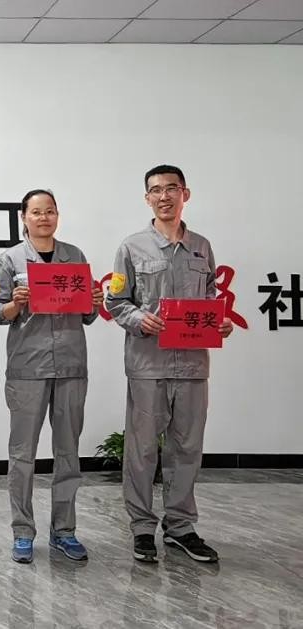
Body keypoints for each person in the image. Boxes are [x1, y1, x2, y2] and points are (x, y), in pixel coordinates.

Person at [107, 164, 234, 564]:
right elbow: (115, 301)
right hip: (148, 364)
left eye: (171, 188)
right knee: (142, 450)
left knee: (187, 448)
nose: (164, 196)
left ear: (185, 194)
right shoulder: (131, 247)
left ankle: (180, 527)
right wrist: (137, 319)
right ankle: (142, 527)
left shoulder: (201, 247)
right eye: (156, 190)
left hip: (193, 367)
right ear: (147, 198)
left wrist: (219, 321)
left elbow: (210, 297)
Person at [0, 189, 104, 563]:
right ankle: (23, 532)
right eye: (36, 212)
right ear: (23, 217)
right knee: (22, 455)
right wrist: (14, 304)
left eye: (49, 211)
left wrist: (95, 303)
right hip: (28, 368)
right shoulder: (9, 260)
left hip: (70, 366)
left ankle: (64, 531)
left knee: (68, 453)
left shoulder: (75, 257)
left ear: (57, 215)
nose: (43, 217)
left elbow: (87, 315)